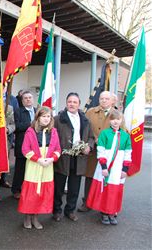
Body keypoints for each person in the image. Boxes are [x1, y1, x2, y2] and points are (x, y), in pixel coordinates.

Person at [53, 92, 94, 222]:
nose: (72, 104)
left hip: (79, 157)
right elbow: (52, 137)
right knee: (58, 187)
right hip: (63, 157)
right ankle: (56, 210)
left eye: (74, 102)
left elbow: (92, 137)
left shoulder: (85, 120)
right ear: (66, 103)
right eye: (69, 101)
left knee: (74, 187)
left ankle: (70, 210)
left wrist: (89, 147)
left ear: (79, 104)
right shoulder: (58, 119)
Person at [18, 107, 61, 229]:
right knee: (31, 192)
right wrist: (38, 159)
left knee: (42, 192)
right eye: (44, 116)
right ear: (38, 117)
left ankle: (35, 217)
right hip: (34, 165)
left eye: (48, 116)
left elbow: (58, 149)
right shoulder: (31, 131)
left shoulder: (53, 132)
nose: (46, 119)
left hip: (47, 165)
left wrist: (52, 158)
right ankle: (27, 217)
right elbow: (25, 149)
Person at [80, 91, 123, 212]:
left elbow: (122, 131)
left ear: (112, 101)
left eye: (106, 99)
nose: (103, 100)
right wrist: (93, 140)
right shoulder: (90, 112)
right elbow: (84, 128)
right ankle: (87, 202)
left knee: (106, 177)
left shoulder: (117, 114)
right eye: (101, 98)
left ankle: (104, 204)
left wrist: (106, 140)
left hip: (108, 153)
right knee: (90, 177)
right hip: (93, 150)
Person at [86, 110, 131, 225]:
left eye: (118, 119)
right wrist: (104, 167)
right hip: (104, 167)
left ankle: (112, 211)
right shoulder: (105, 134)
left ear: (121, 120)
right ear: (110, 120)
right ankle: (104, 212)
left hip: (118, 168)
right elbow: (100, 152)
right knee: (105, 189)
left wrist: (125, 169)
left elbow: (127, 153)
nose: (115, 121)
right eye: (113, 119)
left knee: (115, 190)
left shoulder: (126, 136)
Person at [12, 91, 36, 199]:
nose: (28, 99)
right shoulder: (17, 111)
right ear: (22, 101)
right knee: (20, 170)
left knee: (32, 169)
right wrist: (30, 124)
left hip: (35, 146)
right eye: (25, 98)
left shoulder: (37, 111)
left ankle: (29, 190)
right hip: (22, 145)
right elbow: (16, 127)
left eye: (30, 97)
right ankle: (16, 190)